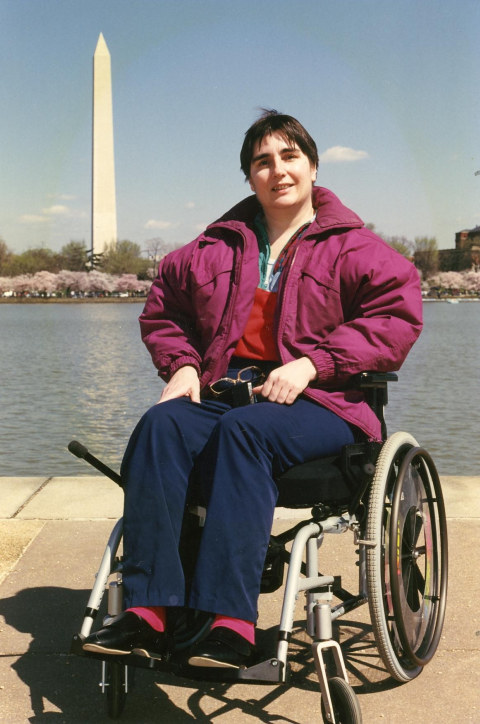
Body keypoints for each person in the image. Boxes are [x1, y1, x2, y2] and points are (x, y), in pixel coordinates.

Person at [82, 110, 423, 669]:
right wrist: (184, 366)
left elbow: (394, 319)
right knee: (160, 425)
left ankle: (232, 622)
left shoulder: (356, 247)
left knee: (246, 433)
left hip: (325, 403)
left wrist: (314, 363)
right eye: (263, 162)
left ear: (312, 167)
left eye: (290, 157)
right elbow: (164, 309)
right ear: (249, 177)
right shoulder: (214, 247)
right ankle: (149, 609)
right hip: (228, 394)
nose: (278, 171)